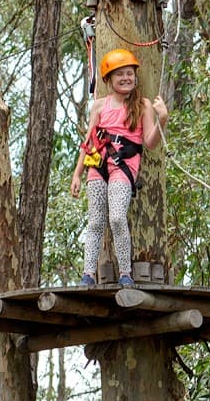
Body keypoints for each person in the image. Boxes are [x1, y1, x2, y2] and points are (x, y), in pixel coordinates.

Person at [69, 48, 167, 287]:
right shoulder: (100, 106)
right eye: (119, 74)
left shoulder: (142, 105)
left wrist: (162, 118)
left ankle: (126, 273)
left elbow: (150, 143)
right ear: (109, 79)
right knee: (95, 222)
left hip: (124, 167)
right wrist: (77, 174)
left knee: (117, 218)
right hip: (99, 165)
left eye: (129, 74)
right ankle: (88, 275)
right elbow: (89, 140)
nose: (125, 78)